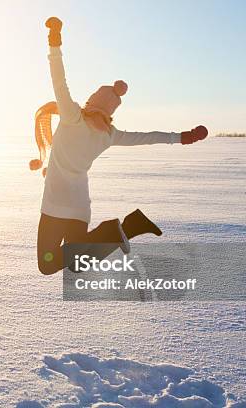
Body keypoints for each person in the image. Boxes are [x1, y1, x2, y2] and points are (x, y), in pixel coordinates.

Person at [32, 17, 208, 275]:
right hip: (79, 209)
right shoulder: (109, 135)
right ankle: (129, 227)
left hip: (54, 206)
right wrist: (182, 137)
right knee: (78, 262)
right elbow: (147, 137)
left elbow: (59, 80)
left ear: (92, 100)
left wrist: (54, 41)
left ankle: (116, 231)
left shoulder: (72, 116)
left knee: (48, 264)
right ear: (111, 111)